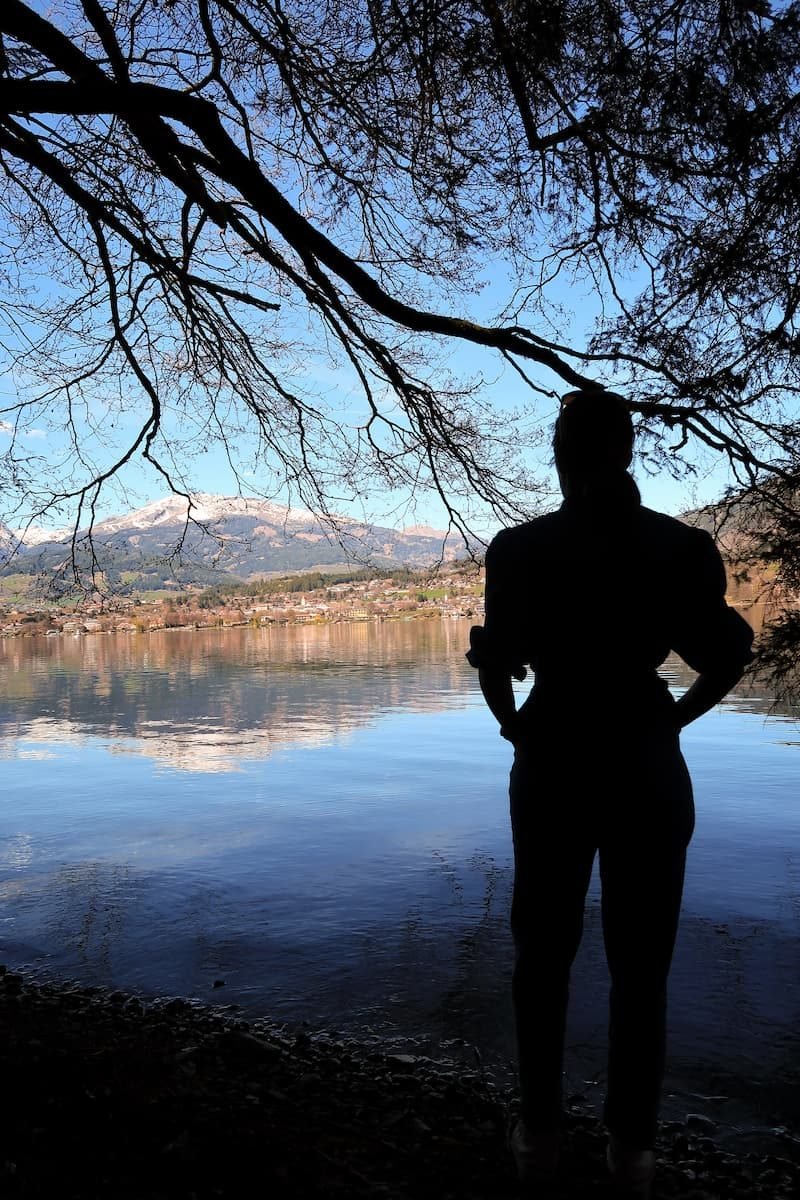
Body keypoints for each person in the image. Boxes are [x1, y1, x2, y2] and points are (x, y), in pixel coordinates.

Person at [466, 390, 754, 1197]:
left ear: (560, 452)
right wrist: (676, 723)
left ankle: (541, 1135)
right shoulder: (683, 548)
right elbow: (728, 656)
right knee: (643, 965)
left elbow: (498, 664)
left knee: (542, 955)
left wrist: (514, 726)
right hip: (646, 761)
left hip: (554, 757)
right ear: (626, 453)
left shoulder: (520, 550)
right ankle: (632, 1150)